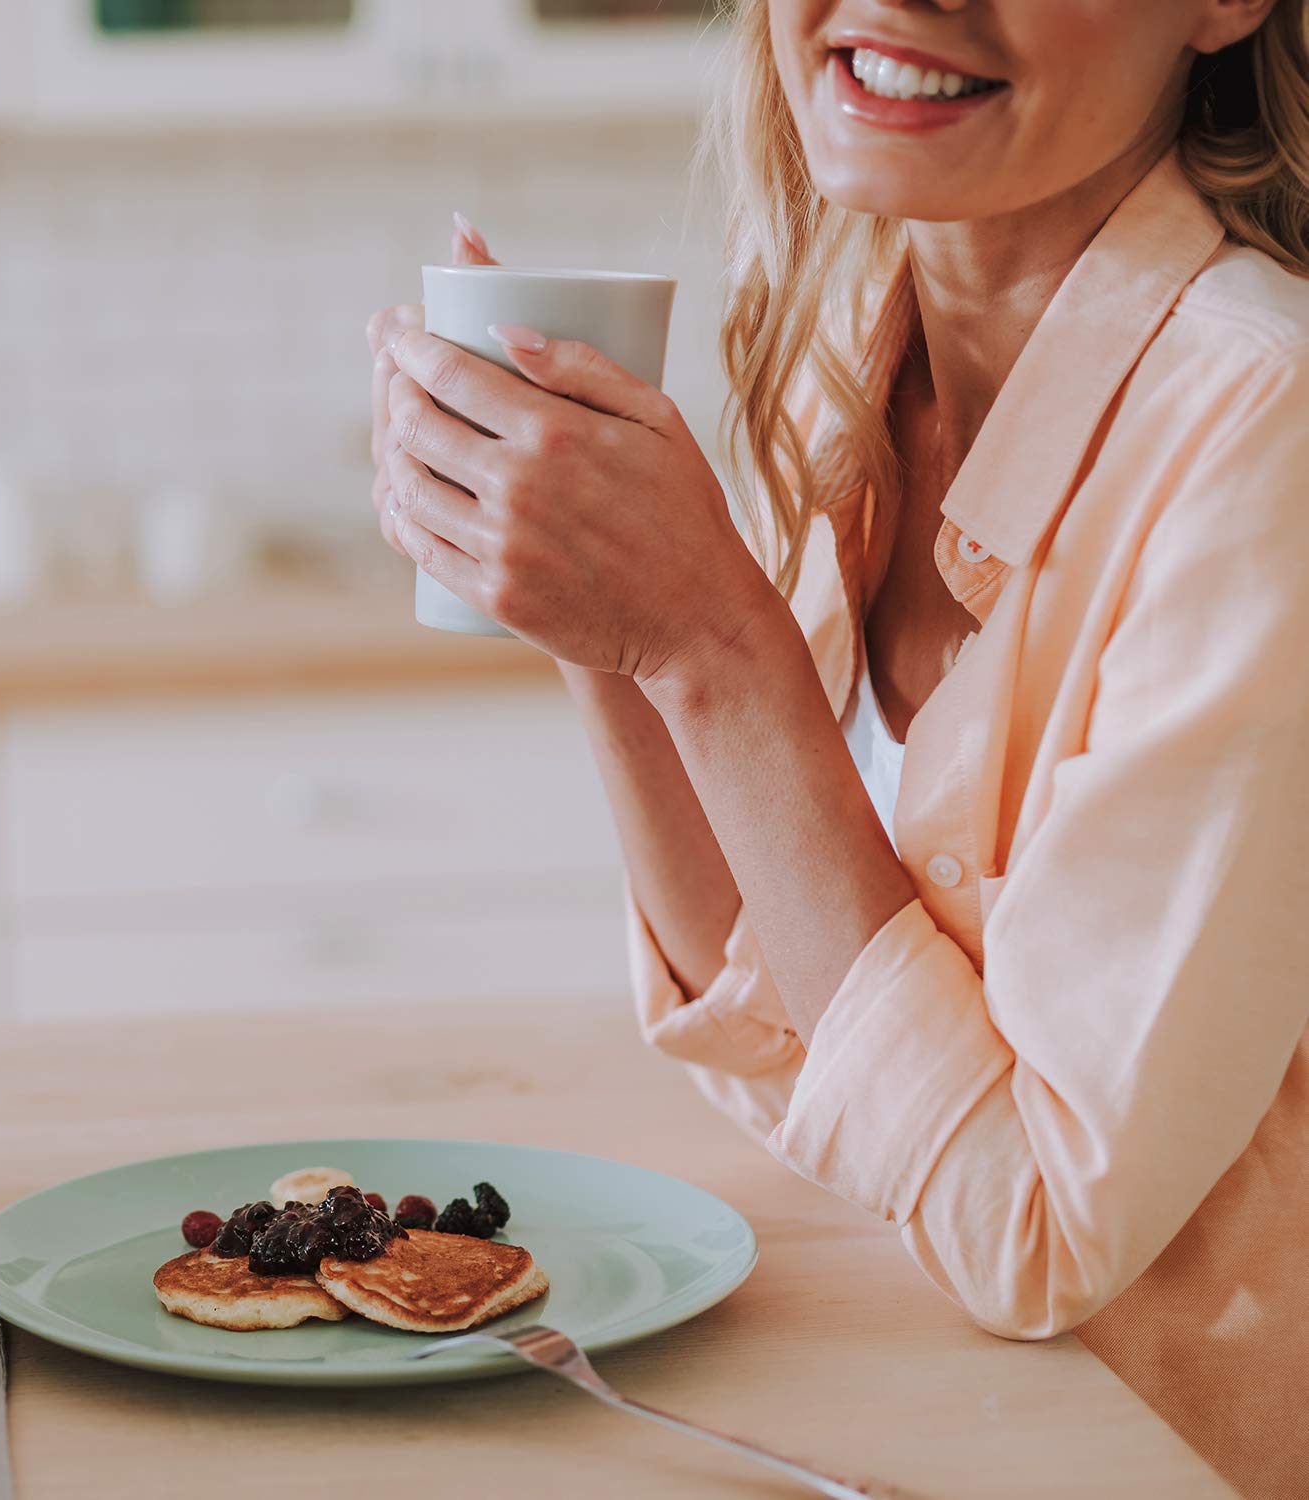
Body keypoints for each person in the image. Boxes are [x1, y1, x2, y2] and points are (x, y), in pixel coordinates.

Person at [365, 2, 1309, 1493]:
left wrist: (708, 642)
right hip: (929, 1418)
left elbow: (1037, 1235)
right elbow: (788, 1051)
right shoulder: (851, 353)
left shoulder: (1266, 423)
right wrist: (591, 605)